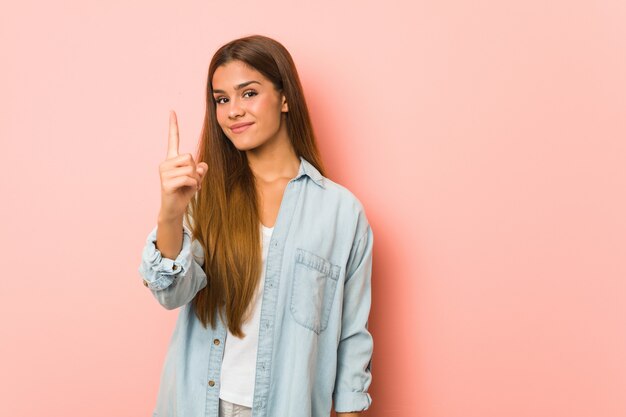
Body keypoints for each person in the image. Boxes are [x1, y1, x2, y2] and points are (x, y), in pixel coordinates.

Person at [138, 34, 374, 417]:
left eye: (248, 93)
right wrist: (170, 213)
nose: (233, 111)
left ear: (284, 98)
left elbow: (351, 339)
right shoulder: (205, 195)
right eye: (222, 99)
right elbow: (170, 295)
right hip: (197, 404)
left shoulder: (341, 213)